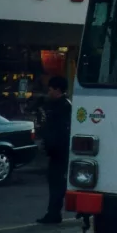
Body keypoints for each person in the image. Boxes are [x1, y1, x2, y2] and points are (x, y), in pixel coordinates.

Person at [37, 76, 72, 225]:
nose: (48, 92)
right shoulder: (53, 105)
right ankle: (52, 212)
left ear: (57, 90)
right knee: (54, 182)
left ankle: (54, 213)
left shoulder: (64, 106)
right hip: (55, 151)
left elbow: (61, 130)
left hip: (60, 151)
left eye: (50, 89)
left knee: (57, 183)